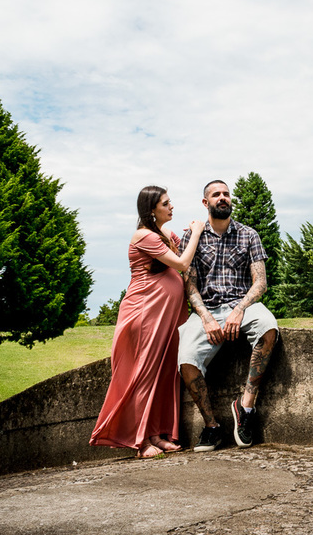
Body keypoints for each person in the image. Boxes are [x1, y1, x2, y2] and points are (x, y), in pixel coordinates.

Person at [89, 186, 206, 459]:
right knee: (144, 374)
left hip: (165, 316)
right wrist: (198, 231)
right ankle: (140, 442)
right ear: (151, 209)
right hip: (145, 314)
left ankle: (155, 433)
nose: (171, 207)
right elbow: (181, 263)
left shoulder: (164, 234)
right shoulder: (143, 236)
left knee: (164, 373)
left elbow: (187, 245)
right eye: (166, 203)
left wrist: (198, 230)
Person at [178, 179, 279, 451]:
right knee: (186, 358)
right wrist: (206, 317)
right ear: (205, 202)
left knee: (269, 327)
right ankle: (211, 427)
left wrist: (239, 309)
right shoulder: (193, 236)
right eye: (216, 194)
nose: (222, 198)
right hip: (206, 310)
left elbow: (260, 282)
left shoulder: (249, 234)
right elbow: (190, 286)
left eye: (226, 193)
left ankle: (245, 408)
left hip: (241, 305)